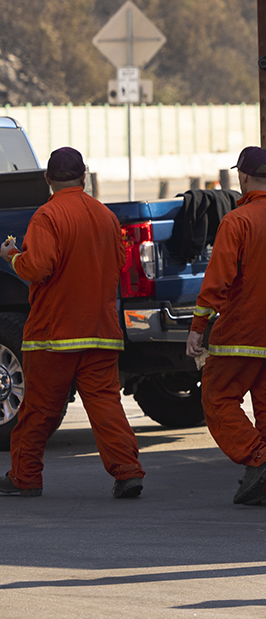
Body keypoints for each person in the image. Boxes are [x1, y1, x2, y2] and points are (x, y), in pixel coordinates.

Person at [0, 147, 142, 498]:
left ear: (48, 179)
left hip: (54, 335)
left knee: (37, 410)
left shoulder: (47, 216)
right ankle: (127, 472)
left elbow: (37, 268)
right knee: (106, 405)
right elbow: (119, 263)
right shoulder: (106, 216)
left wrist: (13, 256)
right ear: (84, 175)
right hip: (101, 332)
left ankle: (25, 477)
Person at [187, 147, 266, 506]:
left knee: (217, 399)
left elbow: (218, 281)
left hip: (241, 336)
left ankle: (261, 461)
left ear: (242, 177)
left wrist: (198, 327)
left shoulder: (237, 221)